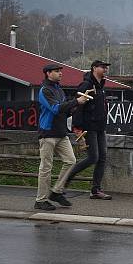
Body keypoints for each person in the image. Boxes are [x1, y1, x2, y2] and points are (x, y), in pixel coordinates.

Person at [35, 63, 88, 210]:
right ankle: (40, 200)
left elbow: (64, 111)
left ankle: (56, 192)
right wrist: (76, 101)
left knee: (71, 161)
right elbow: (55, 109)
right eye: (57, 71)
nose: (60, 73)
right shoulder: (44, 90)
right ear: (48, 73)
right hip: (47, 134)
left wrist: (77, 106)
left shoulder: (58, 89)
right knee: (46, 168)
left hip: (61, 132)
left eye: (60, 71)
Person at [65, 60, 112, 199]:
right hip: (89, 127)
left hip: (100, 127)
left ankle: (95, 190)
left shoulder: (101, 86)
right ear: (94, 68)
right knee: (93, 158)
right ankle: (64, 181)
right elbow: (77, 107)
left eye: (106, 67)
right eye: (102, 67)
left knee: (102, 158)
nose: (105, 70)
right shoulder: (86, 85)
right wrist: (77, 128)